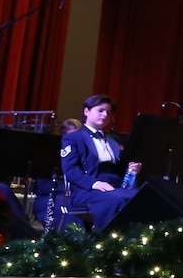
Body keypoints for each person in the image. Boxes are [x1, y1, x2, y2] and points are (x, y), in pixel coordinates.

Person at [60, 96, 141, 229]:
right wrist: (95, 183)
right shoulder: (73, 138)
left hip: (115, 187)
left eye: (108, 113)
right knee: (117, 199)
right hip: (87, 189)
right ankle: (108, 241)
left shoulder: (113, 141)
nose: (105, 115)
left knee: (144, 196)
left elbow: (118, 170)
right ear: (86, 111)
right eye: (100, 110)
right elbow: (70, 170)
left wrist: (131, 171)